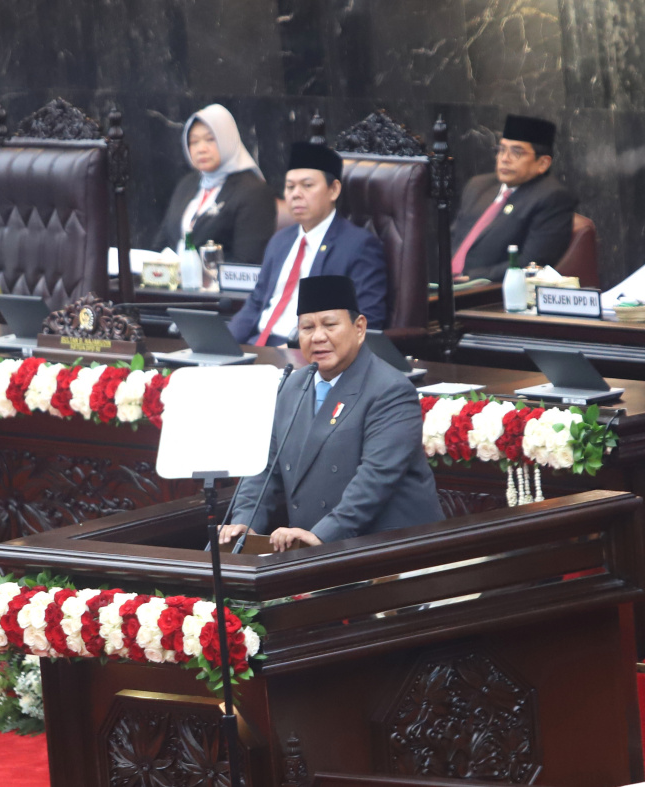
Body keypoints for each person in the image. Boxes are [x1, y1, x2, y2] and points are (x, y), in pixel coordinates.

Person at [220, 275, 442, 551]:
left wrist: (324, 535)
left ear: (359, 328)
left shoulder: (390, 390)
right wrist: (246, 523)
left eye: (330, 325)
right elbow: (264, 467)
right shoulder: (292, 386)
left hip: (387, 548)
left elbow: (375, 479)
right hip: (314, 547)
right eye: (307, 327)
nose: (318, 337)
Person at [228, 143, 388, 345]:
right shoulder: (279, 241)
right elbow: (255, 304)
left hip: (306, 352)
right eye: (290, 187)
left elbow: (366, 321)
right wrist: (223, 345)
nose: (295, 194)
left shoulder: (358, 246)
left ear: (334, 190)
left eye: (307, 185)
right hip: (258, 345)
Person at [451, 114, 577, 282]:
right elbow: (453, 238)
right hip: (444, 284)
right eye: (501, 150)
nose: (504, 159)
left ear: (543, 163)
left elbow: (531, 263)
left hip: (485, 290)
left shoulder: (552, 197)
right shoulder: (478, 186)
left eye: (516, 153)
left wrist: (472, 278)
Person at [152, 104, 275, 266]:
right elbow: (162, 243)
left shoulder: (253, 192)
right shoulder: (187, 184)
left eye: (210, 139)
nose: (201, 149)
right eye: (194, 142)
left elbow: (248, 262)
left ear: (227, 140)